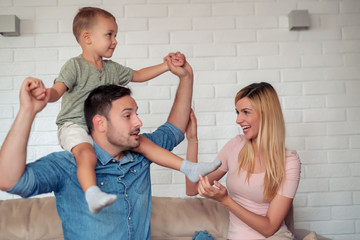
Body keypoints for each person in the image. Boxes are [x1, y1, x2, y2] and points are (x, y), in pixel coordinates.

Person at [28, 7, 220, 214]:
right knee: (85, 152)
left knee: (143, 143)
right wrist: (45, 95)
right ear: (87, 37)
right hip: (74, 125)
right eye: (109, 35)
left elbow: (138, 75)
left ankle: (188, 168)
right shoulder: (75, 66)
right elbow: (58, 90)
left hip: (98, 131)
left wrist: (166, 66)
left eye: (115, 35)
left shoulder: (111, 68)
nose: (115, 40)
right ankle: (92, 192)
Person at [0, 59, 210, 239]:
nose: (138, 122)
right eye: (128, 115)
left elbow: (174, 129)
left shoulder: (141, 152)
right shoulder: (67, 165)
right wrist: (28, 111)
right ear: (100, 123)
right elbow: (8, 180)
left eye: (136, 113)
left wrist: (186, 76)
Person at [185, 82, 301, 240]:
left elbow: (269, 228)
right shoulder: (235, 145)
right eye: (237, 112)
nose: (238, 120)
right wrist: (192, 140)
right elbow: (193, 188)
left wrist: (226, 200)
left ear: (266, 114)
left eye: (246, 112)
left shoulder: (289, 161)